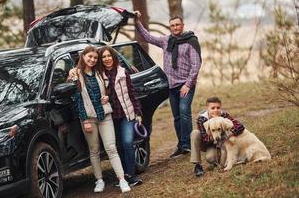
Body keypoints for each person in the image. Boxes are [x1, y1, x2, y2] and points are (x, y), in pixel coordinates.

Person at [134, 11, 202, 158]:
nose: (175, 27)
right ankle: (181, 145)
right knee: (177, 116)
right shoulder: (166, 41)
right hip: (171, 86)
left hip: (186, 85)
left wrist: (188, 85)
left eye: (178, 24)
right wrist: (137, 21)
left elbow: (196, 65)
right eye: (172, 25)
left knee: (184, 112)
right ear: (170, 27)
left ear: (182, 25)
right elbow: (147, 37)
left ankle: (188, 145)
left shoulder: (191, 41)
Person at [67, 46, 131, 193]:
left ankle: (122, 180)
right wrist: (84, 120)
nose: (92, 60)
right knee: (94, 150)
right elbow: (77, 100)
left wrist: (107, 96)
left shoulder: (99, 72)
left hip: (105, 115)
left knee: (111, 148)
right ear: (83, 56)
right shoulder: (75, 74)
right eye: (90, 57)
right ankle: (99, 180)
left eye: (95, 58)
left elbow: (109, 88)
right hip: (88, 119)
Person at [97, 46, 143, 186]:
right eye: (104, 57)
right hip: (110, 117)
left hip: (126, 114)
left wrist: (138, 112)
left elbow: (132, 93)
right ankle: (121, 177)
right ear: (101, 59)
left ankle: (131, 175)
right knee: (117, 147)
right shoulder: (99, 75)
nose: (107, 59)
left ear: (113, 56)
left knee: (128, 143)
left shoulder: (123, 72)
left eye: (109, 56)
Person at [190, 96, 245, 177]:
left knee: (211, 158)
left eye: (218, 107)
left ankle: (220, 160)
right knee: (195, 133)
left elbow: (240, 126)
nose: (216, 110)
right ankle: (197, 165)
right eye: (212, 108)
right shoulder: (202, 119)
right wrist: (215, 137)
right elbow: (205, 138)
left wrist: (228, 134)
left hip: (222, 142)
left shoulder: (224, 115)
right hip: (208, 143)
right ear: (207, 108)